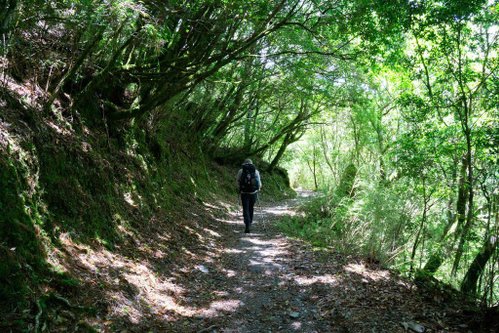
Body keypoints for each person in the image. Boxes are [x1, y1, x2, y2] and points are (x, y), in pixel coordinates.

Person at [236, 158, 262, 233]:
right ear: (251, 164)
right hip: (253, 193)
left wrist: (239, 189)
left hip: (244, 193)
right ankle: (250, 222)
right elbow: (259, 183)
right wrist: (258, 188)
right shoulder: (256, 171)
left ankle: (247, 224)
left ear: (244, 164)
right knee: (251, 207)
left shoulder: (241, 171)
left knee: (245, 208)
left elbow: (237, 181)